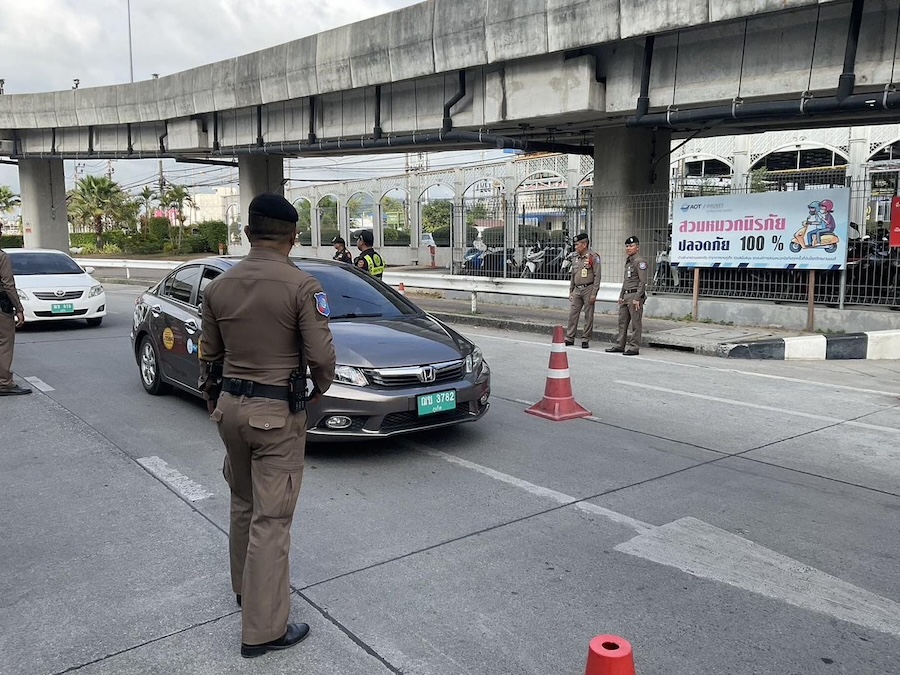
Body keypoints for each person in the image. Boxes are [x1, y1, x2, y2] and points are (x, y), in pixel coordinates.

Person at [198, 193, 336, 659]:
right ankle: (263, 630)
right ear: (293, 237)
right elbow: (321, 356)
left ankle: (244, 589)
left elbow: (208, 355)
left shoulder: (219, 285)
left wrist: (216, 397)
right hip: (276, 415)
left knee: (242, 502)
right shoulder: (302, 286)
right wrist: (318, 389)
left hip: (230, 411)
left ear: (247, 233)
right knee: (272, 520)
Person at [606, 235, 647, 356]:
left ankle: (634, 347)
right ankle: (620, 345)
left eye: (631, 246)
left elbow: (643, 282)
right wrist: (621, 294)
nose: (628, 248)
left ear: (637, 247)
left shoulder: (640, 262)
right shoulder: (629, 261)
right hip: (626, 295)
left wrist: (637, 298)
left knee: (635, 322)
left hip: (635, 295)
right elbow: (626, 280)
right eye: (627, 246)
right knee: (622, 321)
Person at [0, 248, 31, 396]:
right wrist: (19, 308)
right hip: (1, 308)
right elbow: (8, 285)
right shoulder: (2, 257)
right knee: (5, 344)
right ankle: (4, 383)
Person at [565, 232, 601, 349]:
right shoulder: (575, 258)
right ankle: (570, 337)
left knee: (588, 315)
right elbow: (573, 276)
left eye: (577, 244)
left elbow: (597, 276)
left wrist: (594, 293)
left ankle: (585, 339)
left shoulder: (593, 257)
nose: (575, 247)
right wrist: (571, 291)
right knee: (573, 314)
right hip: (577, 289)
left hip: (588, 288)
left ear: (584, 244)